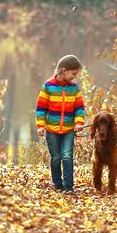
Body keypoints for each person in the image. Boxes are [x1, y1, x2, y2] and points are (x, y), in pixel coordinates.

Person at [36, 54, 85, 193]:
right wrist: (40, 126)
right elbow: (41, 108)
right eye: (73, 74)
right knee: (56, 157)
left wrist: (79, 122)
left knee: (67, 156)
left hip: (69, 130)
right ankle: (57, 183)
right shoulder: (48, 87)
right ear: (63, 71)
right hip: (52, 130)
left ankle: (68, 186)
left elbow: (79, 107)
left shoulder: (74, 88)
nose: (74, 77)